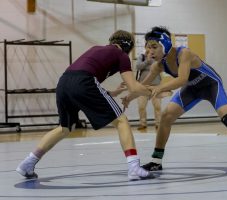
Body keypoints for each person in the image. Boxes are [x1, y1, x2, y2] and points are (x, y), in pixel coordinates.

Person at [122, 26, 227, 171]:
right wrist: (129, 96)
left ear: (165, 44)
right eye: (148, 48)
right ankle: (156, 161)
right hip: (192, 89)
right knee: (165, 117)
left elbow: (182, 79)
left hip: (211, 86)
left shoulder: (184, 53)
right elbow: (142, 85)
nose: (150, 52)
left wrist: (160, 87)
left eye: (154, 47)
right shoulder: (158, 65)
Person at [16, 30, 154, 180]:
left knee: (65, 128)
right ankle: (134, 167)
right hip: (84, 81)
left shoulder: (95, 49)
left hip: (64, 82)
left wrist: (112, 93)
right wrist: (152, 91)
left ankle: (27, 163)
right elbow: (133, 87)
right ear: (129, 47)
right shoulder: (121, 55)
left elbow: (84, 85)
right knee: (121, 121)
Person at [136, 47, 161, 131]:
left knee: (157, 106)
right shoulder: (142, 57)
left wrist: (155, 60)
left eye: (154, 48)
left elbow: (162, 68)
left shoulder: (158, 58)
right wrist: (147, 60)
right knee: (141, 106)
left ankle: (158, 124)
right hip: (143, 86)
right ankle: (143, 124)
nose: (151, 50)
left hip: (156, 86)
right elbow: (138, 67)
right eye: (149, 48)